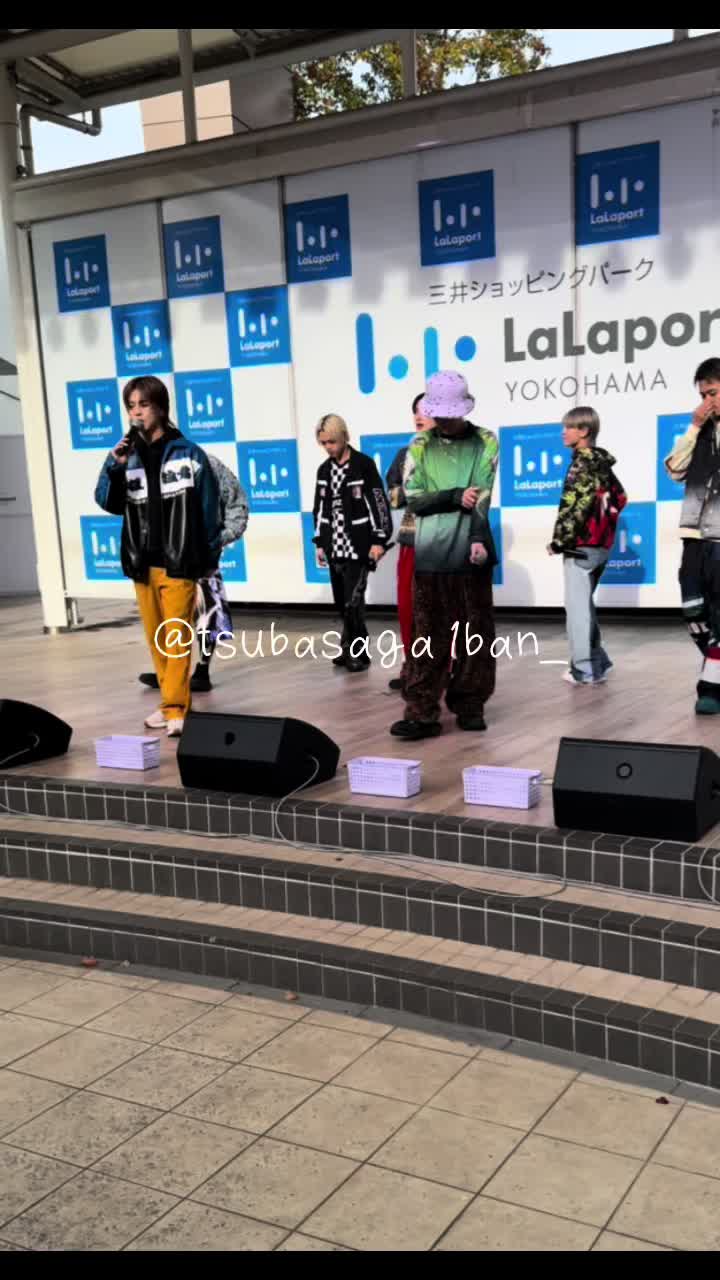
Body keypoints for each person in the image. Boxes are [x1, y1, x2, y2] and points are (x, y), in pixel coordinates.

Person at [95, 375, 221, 737]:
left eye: (143, 405)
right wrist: (114, 466)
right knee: (157, 640)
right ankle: (170, 703)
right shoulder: (126, 456)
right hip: (141, 562)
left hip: (179, 562)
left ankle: (176, 707)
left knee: (176, 636)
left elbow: (209, 509)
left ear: (161, 408)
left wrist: (208, 557)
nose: (136, 412)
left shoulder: (189, 453)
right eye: (131, 406)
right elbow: (106, 501)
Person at [391, 371, 498, 741]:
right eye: (439, 412)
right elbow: (414, 498)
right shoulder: (419, 445)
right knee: (427, 635)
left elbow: (483, 493)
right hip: (431, 552)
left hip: (471, 552)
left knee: (475, 633)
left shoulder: (486, 441)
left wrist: (478, 536)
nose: (444, 419)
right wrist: (453, 495)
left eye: (450, 413)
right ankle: (421, 711)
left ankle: (470, 704)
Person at [138, 454, 248, 693]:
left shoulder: (206, 463)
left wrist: (217, 539)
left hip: (201, 554)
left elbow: (236, 502)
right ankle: (171, 671)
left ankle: (202, 670)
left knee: (206, 612)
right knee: (169, 614)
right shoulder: (149, 465)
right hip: (164, 553)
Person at [547, 407, 627, 686]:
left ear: (584, 431)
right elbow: (621, 498)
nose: (563, 432)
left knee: (577, 610)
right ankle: (599, 661)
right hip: (600, 546)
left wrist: (559, 542)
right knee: (584, 606)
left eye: (569, 427)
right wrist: (603, 525)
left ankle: (585, 671)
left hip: (581, 547)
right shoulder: (602, 463)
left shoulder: (581, 463)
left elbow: (576, 508)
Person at [312, 413, 392, 672]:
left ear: (344, 436)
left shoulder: (363, 465)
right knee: (341, 602)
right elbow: (319, 509)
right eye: (324, 443)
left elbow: (378, 504)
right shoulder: (324, 470)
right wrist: (320, 543)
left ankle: (356, 652)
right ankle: (351, 648)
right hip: (334, 545)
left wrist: (379, 540)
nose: (328, 447)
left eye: (332, 442)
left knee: (353, 601)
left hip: (359, 546)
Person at [665, 357, 720, 714]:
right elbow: (674, 470)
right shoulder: (699, 431)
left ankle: (710, 688)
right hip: (694, 534)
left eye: (712, 393)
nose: (707, 402)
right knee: (693, 610)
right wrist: (694, 427)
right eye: (703, 395)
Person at [385, 394, 435, 692]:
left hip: (442, 540)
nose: (419, 415)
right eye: (415, 410)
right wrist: (410, 489)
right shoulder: (405, 454)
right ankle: (412, 666)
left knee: (440, 609)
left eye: (425, 410)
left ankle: (444, 668)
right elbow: (393, 497)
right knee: (408, 607)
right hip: (411, 538)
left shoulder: (453, 452)